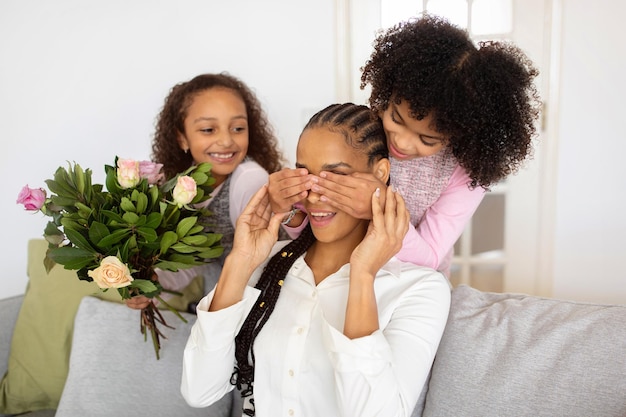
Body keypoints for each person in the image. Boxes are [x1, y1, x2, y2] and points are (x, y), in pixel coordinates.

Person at [181, 103, 451, 417]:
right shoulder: (269, 263)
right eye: (305, 175)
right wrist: (240, 260)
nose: (313, 195)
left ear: (380, 174)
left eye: (335, 176)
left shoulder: (420, 289)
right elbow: (200, 390)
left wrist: (362, 276)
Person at [268, 14, 541, 276]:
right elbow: (317, 222)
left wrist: (379, 207)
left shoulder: (464, 174)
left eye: (427, 139)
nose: (401, 141)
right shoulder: (362, 133)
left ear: (460, 134)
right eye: (396, 118)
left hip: (412, 284)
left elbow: (430, 258)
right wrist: (290, 208)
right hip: (342, 275)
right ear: (389, 93)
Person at [127, 72, 286, 310]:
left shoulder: (249, 180)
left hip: (268, 298)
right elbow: (192, 260)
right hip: (229, 298)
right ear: (182, 138)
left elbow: (259, 266)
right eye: (209, 130)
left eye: (238, 128)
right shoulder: (181, 183)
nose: (225, 141)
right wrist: (153, 285)